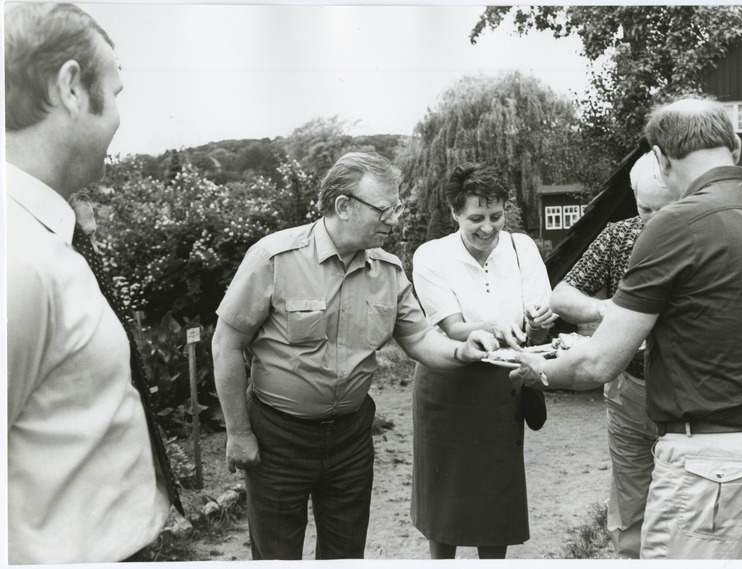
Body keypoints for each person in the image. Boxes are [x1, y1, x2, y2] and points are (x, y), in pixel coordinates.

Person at [512, 96, 742, 559]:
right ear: (737, 147)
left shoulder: (674, 224)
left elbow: (598, 363)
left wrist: (534, 368)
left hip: (710, 467)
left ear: (661, 161)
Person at [212, 151, 498, 560]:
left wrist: (462, 349)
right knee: (276, 556)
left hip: (350, 439)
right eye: (385, 209)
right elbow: (227, 344)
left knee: (346, 557)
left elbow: (419, 338)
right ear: (344, 206)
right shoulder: (273, 258)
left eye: (397, 208)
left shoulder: (389, 270)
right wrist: (238, 432)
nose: (395, 219)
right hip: (279, 437)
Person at [6, 3, 180, 563]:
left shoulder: (47, 233)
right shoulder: (17, 257)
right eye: (118, 93)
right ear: (72, 89)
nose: (119, 118)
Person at [410, 163, 556, 559]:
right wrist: (497, 323)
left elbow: (535, 328)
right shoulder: (431, 256)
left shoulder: (522, 247)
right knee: (446, 498)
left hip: (502, 387)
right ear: (454, 213)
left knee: (496, 498)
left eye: (496, 216)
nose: (488, 228)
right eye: (476, 217)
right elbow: (454, 327)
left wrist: (540, 323)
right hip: (449, 382)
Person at [548, 151, 674, 558]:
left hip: (688, 394)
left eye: (664, 209)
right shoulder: (618, 236)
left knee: (683, 505)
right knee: (631, 503)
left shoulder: (700, 238)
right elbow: (562, 295)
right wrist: (606, 311)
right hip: (629, 390)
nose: (652, 220)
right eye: (645, 208)